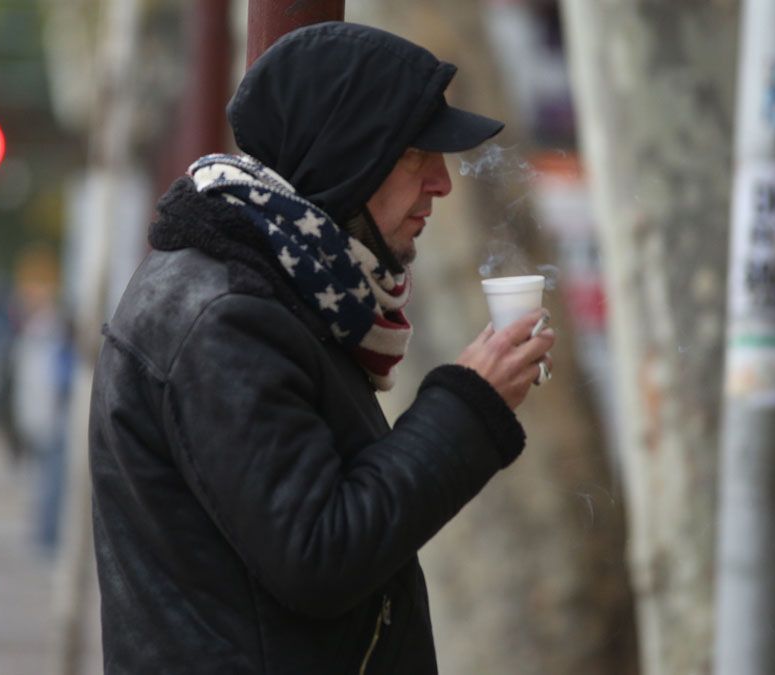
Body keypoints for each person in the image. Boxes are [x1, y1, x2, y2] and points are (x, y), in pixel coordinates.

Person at [88, 21, 556, 674]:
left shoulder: (281, 284)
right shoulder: (226, 317)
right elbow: (319, 553)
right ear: (350, 155)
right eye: (415, 154)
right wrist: (470, 404)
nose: (442, 184)